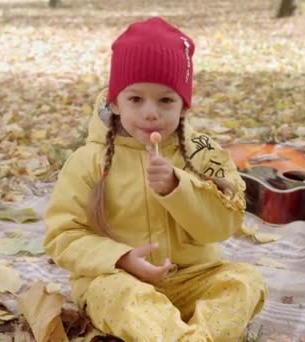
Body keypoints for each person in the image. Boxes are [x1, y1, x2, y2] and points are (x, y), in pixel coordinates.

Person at [44, 16, 266, 342]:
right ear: (115, 103)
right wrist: (119, 258)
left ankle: (195, 337)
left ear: (183, 106)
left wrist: (180, 188)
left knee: (246, 282)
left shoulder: (204, 154)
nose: (151, 113)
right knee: (117, 296)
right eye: (136, 99)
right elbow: (62, 236)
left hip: (193, 277)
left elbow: (224, 225)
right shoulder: (87, 161)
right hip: (118, 278)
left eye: (166, 100)